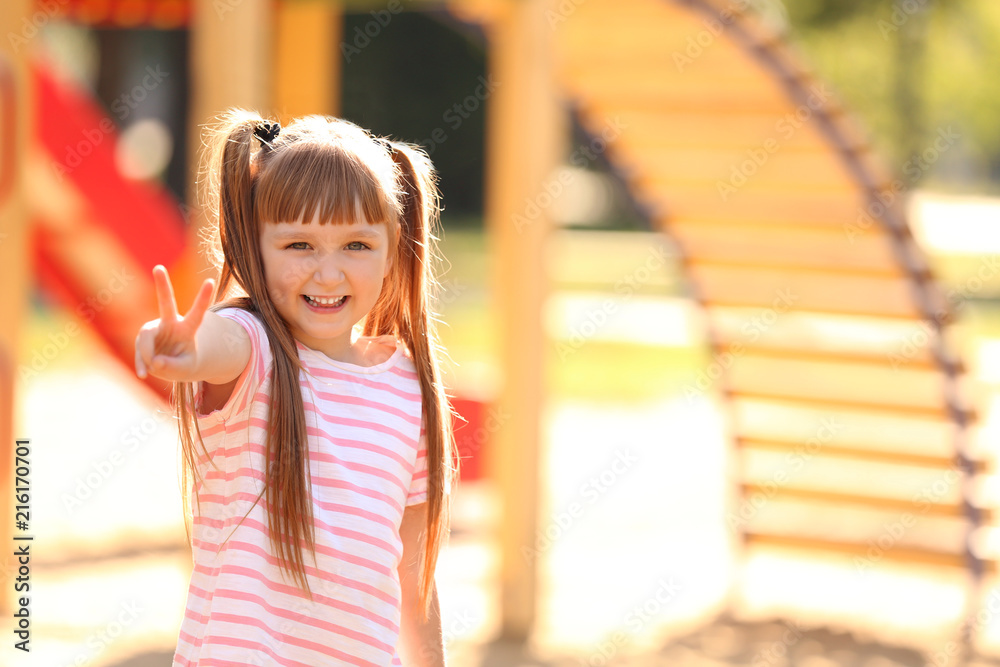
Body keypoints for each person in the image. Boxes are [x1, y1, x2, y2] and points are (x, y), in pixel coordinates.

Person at [134, 108, 460, 666]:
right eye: (298, 246)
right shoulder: (256, 351)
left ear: (392, 249)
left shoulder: (410, 386)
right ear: (255, 249)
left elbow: (414, 574)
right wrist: (174, 349)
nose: (328, 274)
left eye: (356, 245)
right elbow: (214, 346)